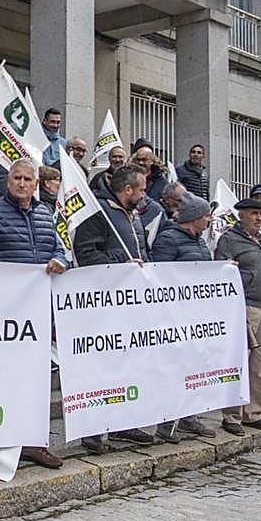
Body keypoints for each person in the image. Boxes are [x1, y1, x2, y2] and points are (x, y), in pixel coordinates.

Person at [0, 158, 66, 469]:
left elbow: (61, 250)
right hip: (3, 317)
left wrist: (60, 260)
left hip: (38, 314)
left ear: (36, 184)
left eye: (27, 179)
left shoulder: (45, 214)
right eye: (16, 178)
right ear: (7, 182)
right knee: (4, 380)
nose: (22, 183)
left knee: (35, 381)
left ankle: (34, 442)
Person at [71, 165, 155, 451]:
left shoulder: (132, 215)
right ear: (127, 190)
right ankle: (92, 430)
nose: (145, 195)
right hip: (103, 307)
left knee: (128, 367)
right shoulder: (99, 213)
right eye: (141, 189)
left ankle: (124, 424)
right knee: (101, 369)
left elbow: (143, 252)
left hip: (130, 305)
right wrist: (121, 262)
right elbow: (86, 254)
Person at [214, 198, 261, 436]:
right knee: (239, 362)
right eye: (254, 214)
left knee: (260, 364)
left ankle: (253, 412)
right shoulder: (229, 240)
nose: (259, 218)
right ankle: (232, 415)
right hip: (244, 307)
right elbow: (221, 270)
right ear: (241, 216)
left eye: (260, 214)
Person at [149, 193, 218, 441]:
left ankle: (190, 417)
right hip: (174, 316)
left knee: (194, 367)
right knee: (173, 369)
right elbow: (160, 275)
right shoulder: (168, 240)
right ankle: (166, 421)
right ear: (194, 218)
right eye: (207, 215)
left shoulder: (200, 242)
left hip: (196, 316)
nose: (210, 219)